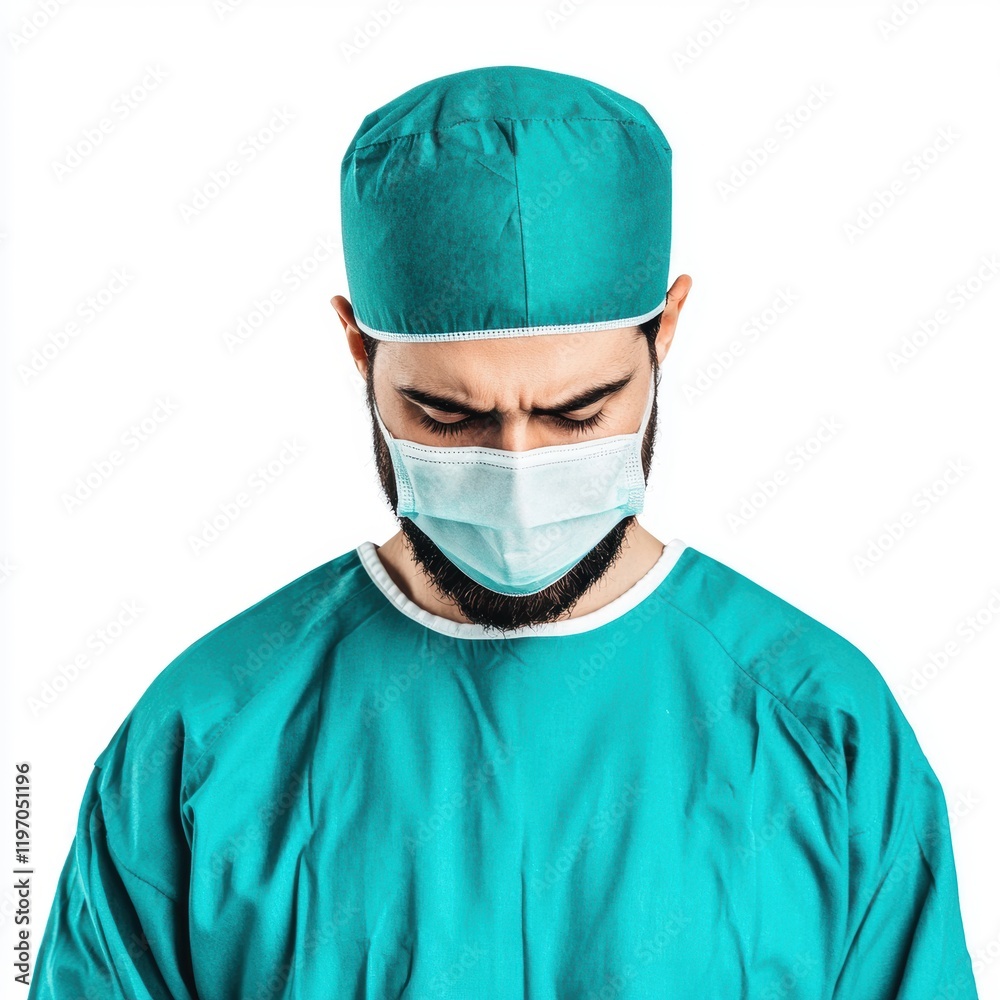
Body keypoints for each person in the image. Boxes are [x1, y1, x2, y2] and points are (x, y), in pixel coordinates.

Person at [28, 64, 978, 999]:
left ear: (666, 332)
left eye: (578, 412)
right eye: (449, 417)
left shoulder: (824, 733)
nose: (519, 475)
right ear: (359, 349)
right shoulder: (204, 747)